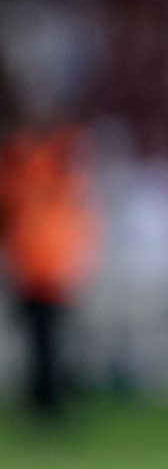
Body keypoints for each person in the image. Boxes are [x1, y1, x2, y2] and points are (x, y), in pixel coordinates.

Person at [0, 123, 100, 420]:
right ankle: (45, 402)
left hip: (50, 276)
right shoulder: (37, 185)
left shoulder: (55, 187)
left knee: (49, 344)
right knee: (43, 344)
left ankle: (48, 400)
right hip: (38, 275)